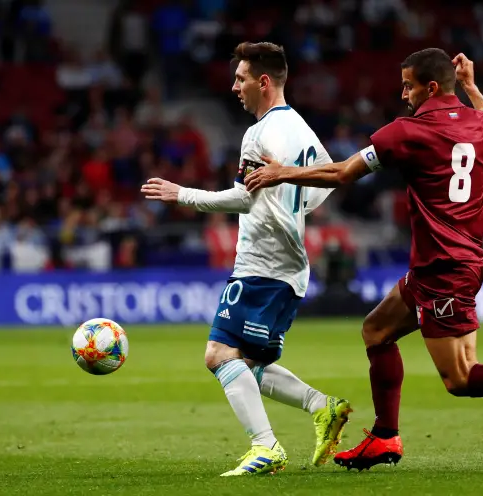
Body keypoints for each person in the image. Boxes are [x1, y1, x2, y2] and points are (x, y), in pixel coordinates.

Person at [245, 49, 483, 470]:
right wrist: (472, 86)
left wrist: (281, 172)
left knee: (461, 377)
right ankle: (384, 437)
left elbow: (342, 174)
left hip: (445, 270)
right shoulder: (478, 124)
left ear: (430, 87)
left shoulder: (407, 132)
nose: (403, 94)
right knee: (376, 330)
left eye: (408, 85)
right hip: (447, 264)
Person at [141, 42, 351, 476]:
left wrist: (181, 194)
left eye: (240, 79)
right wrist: (289, 210)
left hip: (264, 262)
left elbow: (241, 197)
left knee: (219, 355)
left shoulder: (259, 133)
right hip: (289, 264)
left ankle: (266, 447)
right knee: (248, 363)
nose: (234, 86)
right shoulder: (301, 129)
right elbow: (326, 180)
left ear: (264, 81)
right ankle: (323, 407)